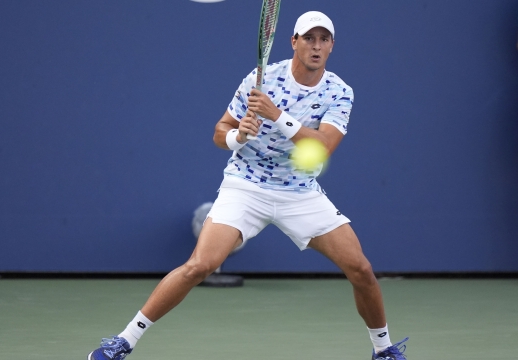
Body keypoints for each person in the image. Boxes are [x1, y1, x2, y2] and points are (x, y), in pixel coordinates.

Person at [89, 11, 408, 360]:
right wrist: (238, 136)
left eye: (324, 39)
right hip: (246, 185)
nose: (316, 46)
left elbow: (323, 147)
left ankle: (384, 351)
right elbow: (219, 131)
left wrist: (276, 116)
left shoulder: (339, 91)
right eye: (309, 38)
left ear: (332, 46)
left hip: (300, 192)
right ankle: (123, 342)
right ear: (294, 42)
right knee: (200, 265)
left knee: (361, 269)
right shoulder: (261, 80)